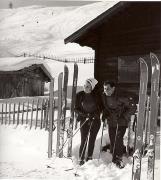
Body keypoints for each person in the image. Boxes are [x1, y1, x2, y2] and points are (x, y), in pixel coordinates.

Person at [101, 81, 136, 168]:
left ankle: (119, 158)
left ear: (113, 88)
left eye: (108, 88)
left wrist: (124, 116)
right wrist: (104, 114)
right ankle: (116, 156)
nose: (106, 90)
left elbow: (133, 106)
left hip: (121, 121)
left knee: (118, 138)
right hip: (111, 121)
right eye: (104, 88)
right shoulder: (104, 96)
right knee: (113, 139)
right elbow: (106, 107)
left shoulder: (121, 96)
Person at [75, 78, 102, 165]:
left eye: (88, 86)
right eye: (85, 86)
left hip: (95, 120)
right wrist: (85, 115)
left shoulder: (97, 96)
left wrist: (94, 115)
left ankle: (89, 157)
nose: (85, 88)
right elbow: (76, 109)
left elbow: (100, 108)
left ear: (92, 87)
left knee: (92, 140)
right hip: (84, 119)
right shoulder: (79, 95)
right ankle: (81, 158)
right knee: (84, 139)